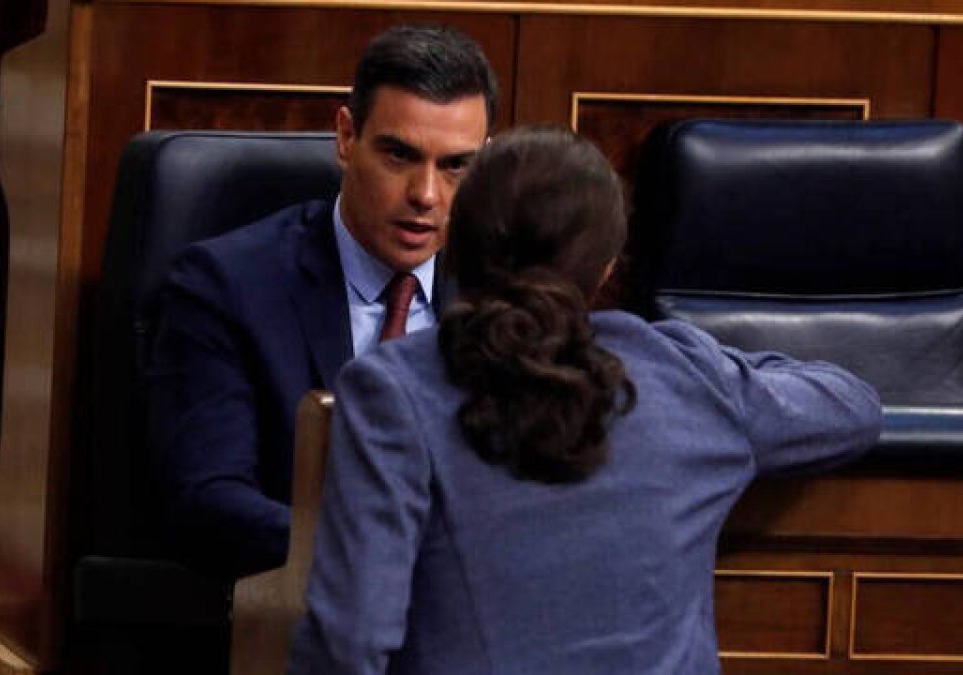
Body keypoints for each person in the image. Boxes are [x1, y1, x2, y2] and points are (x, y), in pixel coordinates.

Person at [288, 126, 882, 674]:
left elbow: (349, 645)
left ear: (458, 249)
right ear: (605, 268)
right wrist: (718, 363)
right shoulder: (687, 372)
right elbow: (852, 405)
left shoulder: (390, 391)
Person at [147, 25, 498, 578]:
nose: (426, 195)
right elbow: (208, 500)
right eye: (399, 155)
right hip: (302, 607)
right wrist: (380, 555)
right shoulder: (227, 286)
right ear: (345, 137)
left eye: (456, 165)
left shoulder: (502, 295)